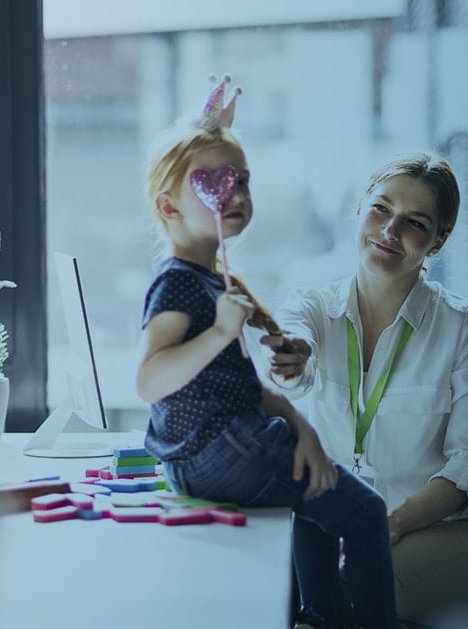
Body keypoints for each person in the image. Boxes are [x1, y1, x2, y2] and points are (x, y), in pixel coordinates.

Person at [136, 76, 400, 629]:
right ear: (169, 206)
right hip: (218, 453)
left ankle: (318, 615)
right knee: (368, 512)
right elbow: (149, 379)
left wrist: (300, 425)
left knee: (313, 493)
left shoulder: (206, 278)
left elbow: (235, 388)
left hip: (203, 455)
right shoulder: (178, 284)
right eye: (212, 181)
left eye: (242, 181)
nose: (234, 194)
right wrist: (214, 336)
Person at [261, 153, 468, 625]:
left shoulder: (464, 327)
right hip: (350, 535)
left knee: (346, 587)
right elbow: (293, 353)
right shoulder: (311, 307)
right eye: (381, 208)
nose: (389, 230)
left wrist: (385, 526)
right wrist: (293, 357)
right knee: (285, 582)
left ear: (438, 241)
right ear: (359, 210)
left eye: (414, 222)